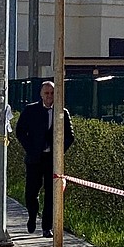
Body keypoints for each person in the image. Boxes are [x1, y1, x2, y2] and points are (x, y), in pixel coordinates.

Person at [15, 80, 75, 237]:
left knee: (51, 194)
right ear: (41, 94)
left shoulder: (62, 112)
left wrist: (59, 152)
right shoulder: (31, 110)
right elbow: (20, 131)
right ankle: (32, 216)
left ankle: (46, 226)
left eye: (52, 93)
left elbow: (70, 136)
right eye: (47, 93)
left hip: (52, 160)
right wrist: (30, 148)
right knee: (31, 192)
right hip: (34, 158)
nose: (49, 96)